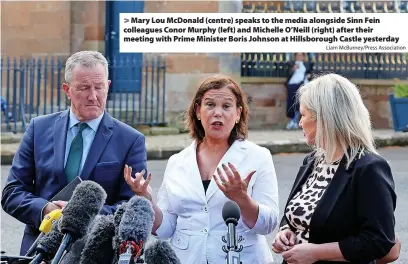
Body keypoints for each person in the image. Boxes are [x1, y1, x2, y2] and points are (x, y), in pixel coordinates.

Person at [1, 50, 147, 255]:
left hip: (95, 254)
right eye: (83, 88)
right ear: (67, 89)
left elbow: (131, 207)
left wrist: (81, 214)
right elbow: (12, 193)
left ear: (108, 86)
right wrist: (47, 210)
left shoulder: (131, 140)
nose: (93, 96)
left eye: (99, 87)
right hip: (40, 251)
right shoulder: (38, 129)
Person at [124, 75, 280, 264]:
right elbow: (165, 228)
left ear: (238, 113)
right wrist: (146, 198)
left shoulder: (258, 156)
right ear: (198, 110)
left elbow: (269, 224)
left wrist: (242, 199)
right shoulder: (177, 161)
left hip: (241, 258)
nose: (218, 113)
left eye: (226, 106)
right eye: (210, 105)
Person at [271, 73, 400, 264]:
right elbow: (297, 214)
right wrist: (286, 231)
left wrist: (316, 253)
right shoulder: (312, 161)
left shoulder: (369, 168)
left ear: (324, 118)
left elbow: (379, 241)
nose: (299, 123)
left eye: (303, 115)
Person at [285, 52, 313, 130]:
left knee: (299, 103)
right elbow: (288, 73)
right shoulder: (291, 63)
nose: (299, 57)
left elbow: (311, 73)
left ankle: (295, 121)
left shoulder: (307, 64)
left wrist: (309, 76)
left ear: (303, 56)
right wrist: (294, 69)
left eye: (301, 55)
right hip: (292, 85)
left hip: (302, 85)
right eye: (298, 55)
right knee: (291, 103)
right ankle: (292, 121)